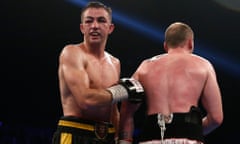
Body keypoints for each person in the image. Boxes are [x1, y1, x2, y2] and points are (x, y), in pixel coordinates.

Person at [52, 1, 144, 144]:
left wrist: (122, 139)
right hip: (75, 134)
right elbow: (85, 100)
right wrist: (122, 91)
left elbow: (113, 110)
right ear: (82, 28)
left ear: (110, 28)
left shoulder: (114, 63)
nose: (94, 26)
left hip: (106, 136)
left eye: (101, 20)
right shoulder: (72, 53)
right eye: (89, 21)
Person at [118, 22, 223, 144]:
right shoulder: (204, 65)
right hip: (189, 138)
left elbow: (126, 110)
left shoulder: (145, 67)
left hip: (151, 138)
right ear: (190, 43)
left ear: (165, 45)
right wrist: (192, 131)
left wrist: (124, 140)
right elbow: (216, 118)